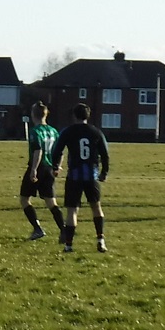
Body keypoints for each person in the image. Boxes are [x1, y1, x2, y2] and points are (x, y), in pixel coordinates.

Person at [48, 103, 110, 253]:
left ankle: (69, 245)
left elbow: (57, 150)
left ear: (74, 115)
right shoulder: (96, 132)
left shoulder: (68, 132)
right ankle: (100, 240)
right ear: (88, 116)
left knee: (72, 211)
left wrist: (55, 166)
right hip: (91, 175)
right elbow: (105, 154)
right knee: (96, 207)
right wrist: (104, 172)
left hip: (74, 176)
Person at [20, 102, 66, 240]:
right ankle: (63, 230)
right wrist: (57, 166)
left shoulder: (35, 132)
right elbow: (60, 152)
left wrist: (33, 169)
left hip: (38, 166)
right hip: (50, 169)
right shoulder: (54, 131)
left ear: (33, 115)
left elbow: (38, 150)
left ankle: (37, 228)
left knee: (24, 199)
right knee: (51, 202)